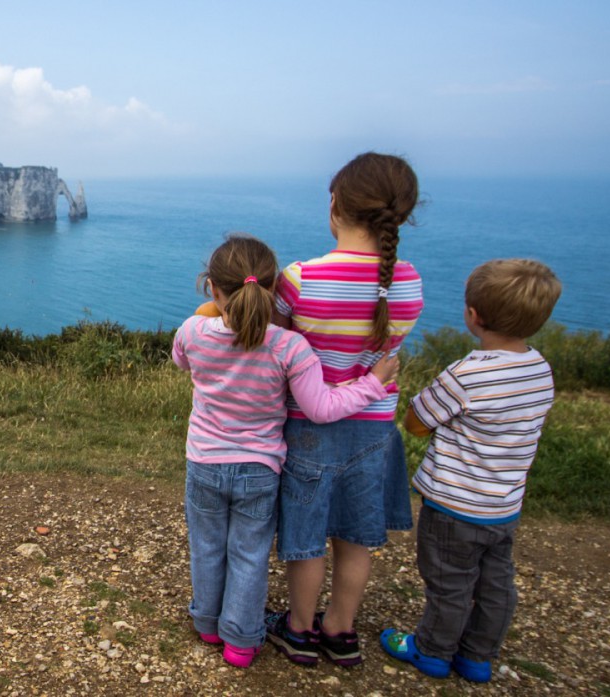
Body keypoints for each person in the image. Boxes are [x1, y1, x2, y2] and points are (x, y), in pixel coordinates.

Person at [173, 234, 399, 669]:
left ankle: (206, 622)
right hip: (259, 469)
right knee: (249, 553)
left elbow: (181, 359)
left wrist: (208, 313)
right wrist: (374, 383)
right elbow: (320, 408)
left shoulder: (193, 332)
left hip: (204, 463)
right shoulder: (290, 347)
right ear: (274, 291)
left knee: (206, 546)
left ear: (212, 288)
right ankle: (240, 640)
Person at [265, 152, 424, 668]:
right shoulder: (410, 282)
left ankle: (298, 628)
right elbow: (388, 346)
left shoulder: (301, 278)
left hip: (309, 425)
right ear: (399, 215)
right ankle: (341, 629)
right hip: (375, 427)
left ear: (335, 204)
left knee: (306, 535)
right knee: (355, 537)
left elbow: (280, 345)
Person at [381, 259, 561, 683]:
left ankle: (432, 650)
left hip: (453, 503)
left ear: (473, 315)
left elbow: (416, 421)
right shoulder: (541, 371)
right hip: (503, 505)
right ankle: (478, 656)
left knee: (449, 583)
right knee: (497, 584)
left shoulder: (468, 374)